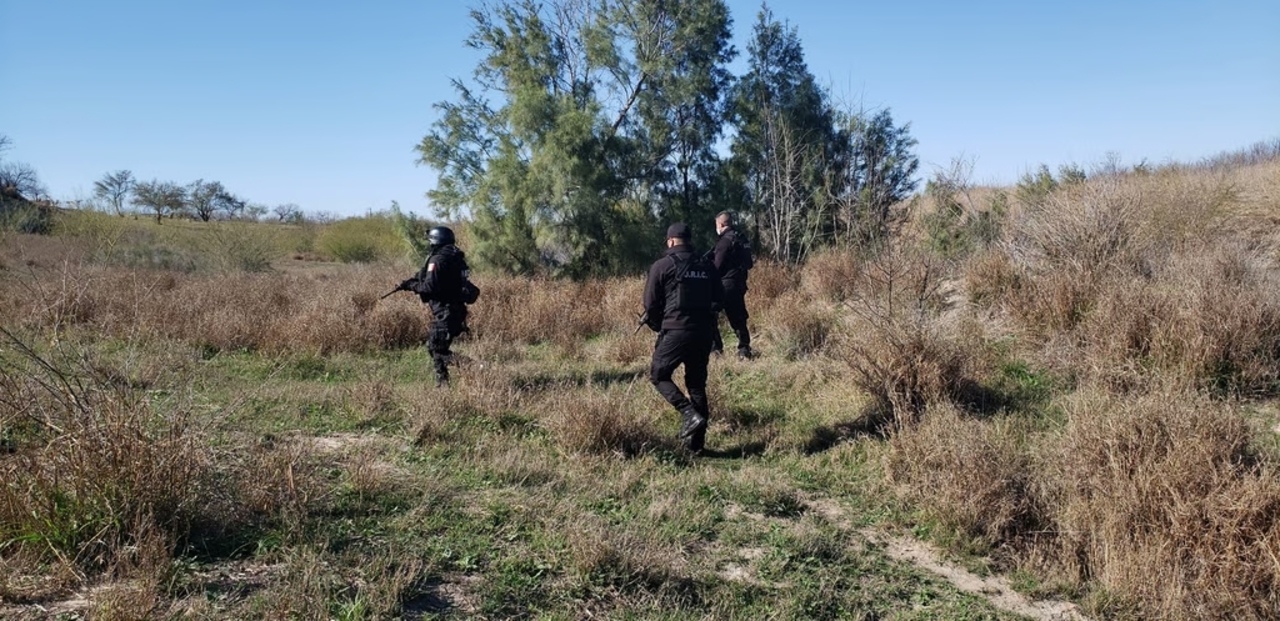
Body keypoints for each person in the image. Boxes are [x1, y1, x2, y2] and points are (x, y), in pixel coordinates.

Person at [642, 222, 724, 452]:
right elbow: (719, 298)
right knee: (696, 385)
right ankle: (697, 447)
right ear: (689, 240)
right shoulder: (707, 266)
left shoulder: (662, 266)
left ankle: (688, 413)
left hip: (676, 331)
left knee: (658, 375)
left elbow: (650, 304)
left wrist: (659, 325)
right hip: (704, 333)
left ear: (670, 241)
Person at [400, 226, 473, 386]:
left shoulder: (438, 260)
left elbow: (429, 287)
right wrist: (413, 281)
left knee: (436, 349)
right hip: (455, 310)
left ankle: (474, 367)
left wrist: (411, 285)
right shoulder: (455, 258)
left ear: (435, 241)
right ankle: (443, 383)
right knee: (437, 348)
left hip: (446, 311)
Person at [710, 211, 754, 360]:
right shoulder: (742, 239)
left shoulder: (724, 242)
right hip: (739, 284)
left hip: (724, 285)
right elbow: (749, 264)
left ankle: (716, 350)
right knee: (738, 318)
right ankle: (744, 350)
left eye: (717, 225)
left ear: (721, 224)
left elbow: (717, 267)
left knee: (709, 314)